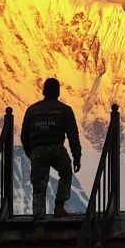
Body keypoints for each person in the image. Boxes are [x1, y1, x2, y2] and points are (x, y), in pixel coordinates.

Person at [21, 78, 81, 224]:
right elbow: (73, 136)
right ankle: (59, 206)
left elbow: (24, 136)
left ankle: (39, 220)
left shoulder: (32, 110)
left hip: (37, 151)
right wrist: (77, 157)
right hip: (56, 149)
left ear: (43, 91)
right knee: (66, 173)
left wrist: (32, 153)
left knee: (39, 185)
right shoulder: (65, 110)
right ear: (58, 92)